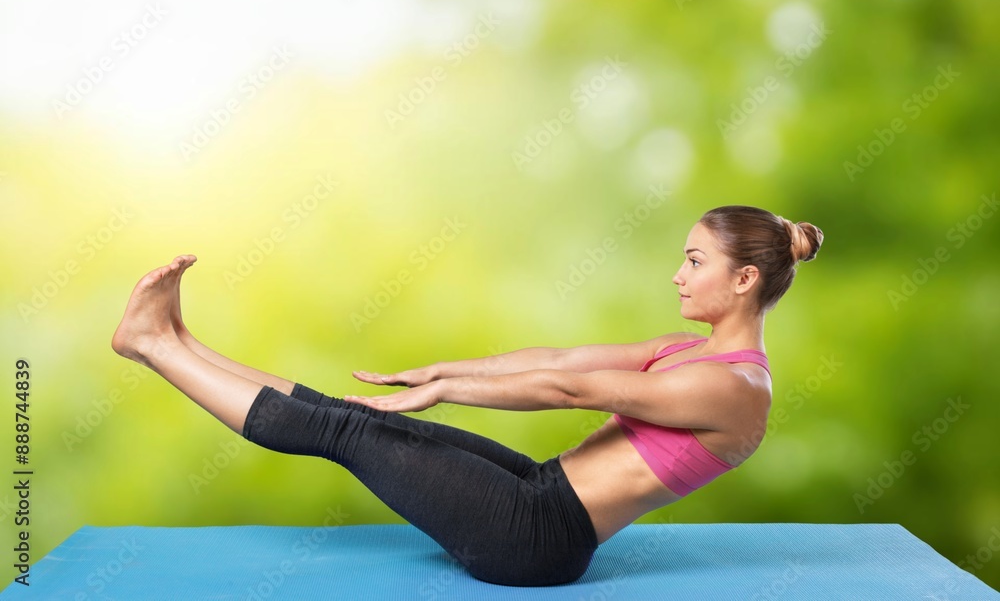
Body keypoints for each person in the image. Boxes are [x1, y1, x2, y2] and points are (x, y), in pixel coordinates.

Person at [111, 204, 823, 587]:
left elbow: (569, 388)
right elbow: (559, 356)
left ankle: (152, 346)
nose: (677, 275)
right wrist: (445, 368)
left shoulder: (733, 386)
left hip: (536, 538)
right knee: (356, 413)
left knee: (349, 435)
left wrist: (452, 390)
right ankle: (180, 337)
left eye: (694, 261)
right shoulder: (688, 351)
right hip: (540, 493)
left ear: (743, 281)